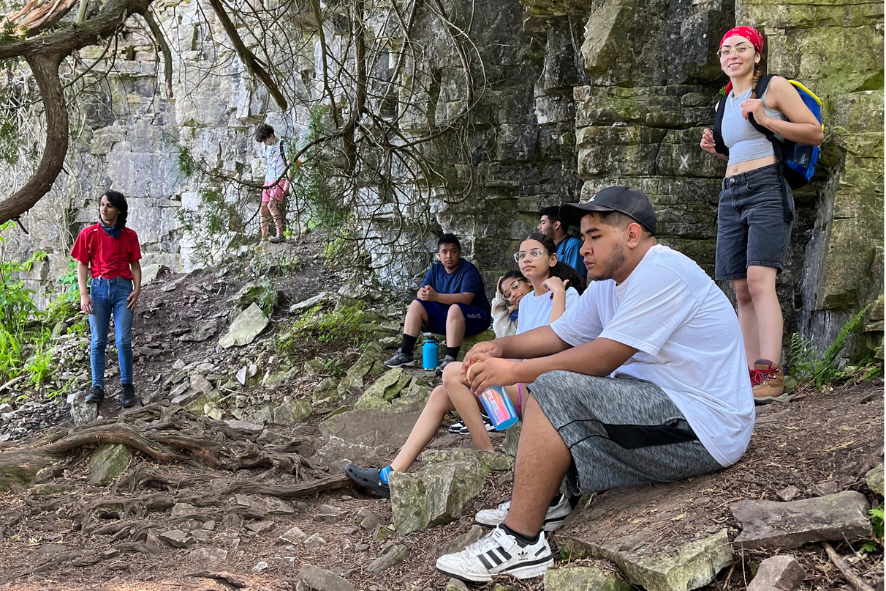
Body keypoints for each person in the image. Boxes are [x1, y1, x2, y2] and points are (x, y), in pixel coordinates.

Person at [435, 186, 753, 582]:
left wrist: (514, 371)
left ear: (632, 235)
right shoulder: (607, 283)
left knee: (550, 383)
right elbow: (561, 335)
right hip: (661, 409)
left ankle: (521, 542)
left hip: (704, 427)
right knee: (546, 379)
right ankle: (547, 501)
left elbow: (604, 356)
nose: (583, 248)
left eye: (595, 237)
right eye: (583, 238)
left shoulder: (663, 272)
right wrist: (499, 346)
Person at [347, 233, 584, 500]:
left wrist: (560, 292)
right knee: (440, 394)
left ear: (553, 258)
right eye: (522, 255)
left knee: (451, 371)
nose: (526, 259)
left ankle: (488, 458)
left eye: (535, 253)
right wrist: (493, 363)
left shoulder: (568, 294)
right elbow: (521, 351)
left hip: (542, 391)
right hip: (516, 387)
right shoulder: (527, 302)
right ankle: (391, 475)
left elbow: (556, 342)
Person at [699, 26, 823, 400]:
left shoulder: (773, 87)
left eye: (740, 48)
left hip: (767, 187)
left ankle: (771, 373)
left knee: (758, 280)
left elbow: (814, 132)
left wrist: (766, 117)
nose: (731, 55)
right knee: (739, 287)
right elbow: (740, 150)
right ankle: (751, 379)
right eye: (725, 50)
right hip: (731, 191)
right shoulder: (724, 103)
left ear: (756, 54)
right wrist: (717, 150)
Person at [71, 191, 143, 408]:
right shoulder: (89, 233)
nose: (104, 209)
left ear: (119, 210)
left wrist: (137, 290)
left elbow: (135, 265)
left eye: (109, 205)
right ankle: (97, 387)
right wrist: (84, 293)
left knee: (123, 340)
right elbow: (82, 264)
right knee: (98, 341)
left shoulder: (129, 235)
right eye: (102, 204)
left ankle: (127, 386)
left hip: (123, 289)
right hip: (99, 289)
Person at [384, 234, 491, 374]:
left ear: (460, 253)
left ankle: (450, 359)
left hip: (476, 317)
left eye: (453, 251)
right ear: (438, 255)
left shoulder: (468, 270)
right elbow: (421, 292)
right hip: (449, 318)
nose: (449, 256)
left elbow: (466, 299)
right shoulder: (435, 270)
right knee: (416, 305)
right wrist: (421, 294)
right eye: (444, 252)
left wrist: (435, 296)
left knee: (455, 308)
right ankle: (405, 354)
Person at [255, 123, 290, 243]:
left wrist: (287, 184)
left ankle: (280, 234)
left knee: (272, 205)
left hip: (280, 179)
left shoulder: (283, 145)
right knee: (263, 209)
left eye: (265, 140)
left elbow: (291, 165)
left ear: (271, 135)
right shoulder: (266, 147)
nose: (264, 143)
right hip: (268, 180)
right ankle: (264, 236)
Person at [537, 205, 586, 279]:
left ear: (556, 225)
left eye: (543, 223)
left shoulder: (574, 246)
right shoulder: (547, 247)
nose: (539, 227)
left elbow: (576, 279)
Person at [491, 271, 529, 339]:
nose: (513, 294)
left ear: (529, 281)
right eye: (508, 295)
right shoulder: (522, 314)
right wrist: (499, 297)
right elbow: (503, 334)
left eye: (515, 286)